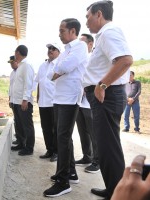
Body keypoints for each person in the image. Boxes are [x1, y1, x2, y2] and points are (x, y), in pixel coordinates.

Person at [83, 1, 133, 199]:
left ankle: (118, 193)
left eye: (88, 16)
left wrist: (102, 84)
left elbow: (125, 60)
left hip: (107, 96)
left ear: (99, 14)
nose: (86, 21)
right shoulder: (104, 34)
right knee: (108, 146)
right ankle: (114, 188)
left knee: (107, 148)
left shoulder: (109, 31)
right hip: (105, 97)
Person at [43, 18, 88, 198]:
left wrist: (59, 69)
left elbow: (64, 66)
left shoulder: (80, 47)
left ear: (72, 31)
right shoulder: (67, 51)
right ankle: (71, 172)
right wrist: (59, 70)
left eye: (62, 30)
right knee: (64, 137)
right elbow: (49, 74)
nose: (59, 34)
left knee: (62, 137)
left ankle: (63, 182)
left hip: (70, 98)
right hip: (59, 98)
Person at [75, 33, 100, 174]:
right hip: (79, 101)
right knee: (82, 131)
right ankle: (87, 156)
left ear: (90, 44)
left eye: (83, 42)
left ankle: (97, 161)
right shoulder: (80, 59)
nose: (80, 45)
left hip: (90, 102)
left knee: (94, 133)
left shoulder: (94, 58)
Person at [35, 42, 60, 162]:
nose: (50, 50)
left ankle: (56, 151)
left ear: (58, 52)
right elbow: (39, 81)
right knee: (45, 127)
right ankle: (49, 150)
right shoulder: (42, 65)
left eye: (53, 48)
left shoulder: (60, 64)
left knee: (55, 128)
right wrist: (38, 95)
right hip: (43, 101)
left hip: (54, 101)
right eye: (49, 48)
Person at [10, 45, 35, 156]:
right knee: (19, 124)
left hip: (23, 102)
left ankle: (29, 148)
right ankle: (21, 143)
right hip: (16, 101)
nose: (15, 54)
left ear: (18, 52)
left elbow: (28, 84)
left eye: (15, 52)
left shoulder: (26, 66)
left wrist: (25, 100)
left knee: (27, 125)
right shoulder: (20, 66)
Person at [8, 56, 20, 145]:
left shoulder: (21, 71)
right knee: (16, 120)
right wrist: (10, 99)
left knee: (22, 121)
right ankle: (19, 138)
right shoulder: (12, 73)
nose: (11, 65)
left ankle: (24, 140)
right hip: (13, 100)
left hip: (20, 100)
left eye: (13, 63)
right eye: (10, 63)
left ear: (17, 62)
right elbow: (11, 87)